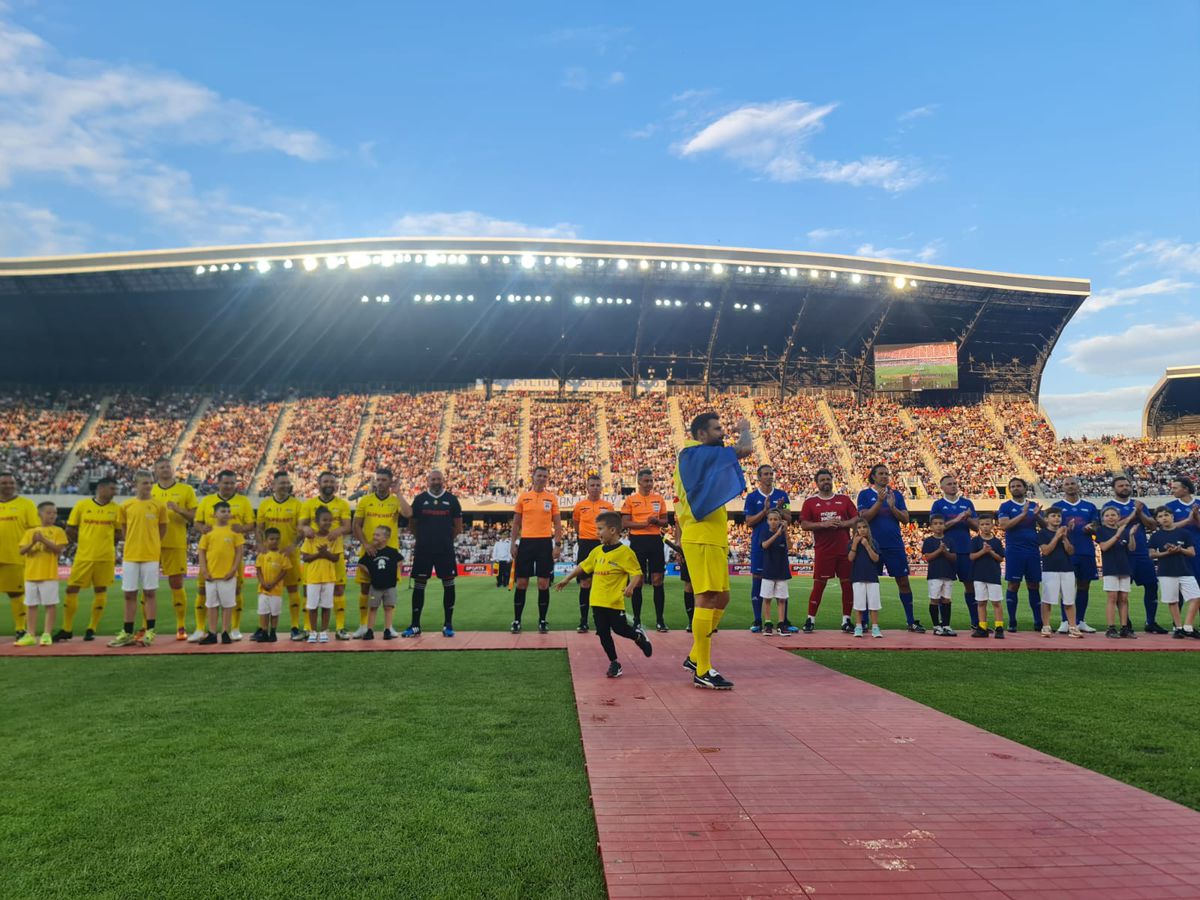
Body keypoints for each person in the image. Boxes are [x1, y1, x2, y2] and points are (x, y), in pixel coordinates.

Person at [677, 412, 753, 690]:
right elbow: (745, 449)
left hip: (713, 537)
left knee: (722, 597)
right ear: (701, 434)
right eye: (717, 429)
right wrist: (744, 428)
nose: (722, 432)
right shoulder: (694, 453)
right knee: (707, 597)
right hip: (702, 537)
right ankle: (703, 669)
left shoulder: (698, 456)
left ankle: (695, 656)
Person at [556, 510, 654, 678]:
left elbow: (637, 573)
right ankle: (614, 662)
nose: (597, 532)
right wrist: (567, 579)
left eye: (600, 529)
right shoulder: (597, 551)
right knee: (603, 633)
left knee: (620, 629)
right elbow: (583, 565)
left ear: (613, 530)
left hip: (614, 602)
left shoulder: (626, 553)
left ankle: (638, 637)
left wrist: (630, 587)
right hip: (597, 601)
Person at [191, 471, 256, 642]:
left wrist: (241, 529)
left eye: (231, 483)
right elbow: (197, 522)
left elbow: (251, 524)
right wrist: (201, 528)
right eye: (225, 483)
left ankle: (234, 628)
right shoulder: (207, 501)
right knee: (202, 590)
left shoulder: (243, 501)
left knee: (236, 591)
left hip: (232, 555)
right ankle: (200, 629)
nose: (228, 486)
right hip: (210, 556)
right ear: (218, 483)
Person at [857, 464, 920, 632]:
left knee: (904, 582)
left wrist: (892, 507)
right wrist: (879, 502)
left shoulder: (896, 495)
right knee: (868, 583)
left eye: (887, 474)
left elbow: (906, 519)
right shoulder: (864, 494)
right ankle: (863, 622)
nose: (885, 476)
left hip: (894, 545)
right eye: (881, 474)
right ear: (873, 477)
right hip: (872, 546)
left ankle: (911, 620)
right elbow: (864, 518)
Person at [800, 468, 862, 634]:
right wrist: (823, 524)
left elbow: (857, 519)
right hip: (823, 550)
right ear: (817, 483)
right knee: (819, 585)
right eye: (822, 480)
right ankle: (810, 619)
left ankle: (846, 620)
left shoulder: (844, 499)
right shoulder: (810, 502)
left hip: (844, 550)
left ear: (832, 480)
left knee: (847, 585)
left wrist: (842, 524)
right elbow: (804, 524)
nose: (826, 482)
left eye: (828, 479)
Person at [109, 471, 168, 647]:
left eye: (150, 483)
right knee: (129, 594)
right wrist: (132, 543)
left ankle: (150, 631)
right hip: (131, 556)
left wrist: (153, 543)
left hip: (150, 555)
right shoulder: (126, 506)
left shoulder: (159, 505)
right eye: (144, 483)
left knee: (150, 593)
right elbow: (124, 529)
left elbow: (162, 529)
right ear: (136, 485)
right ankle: (127, 632)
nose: (148, 486)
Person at [352, 468, 411, 638]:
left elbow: (408, 513)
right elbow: (356, 525)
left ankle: (389, 627)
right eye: (378, 479)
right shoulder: (365, 500)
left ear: (390, 481)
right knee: (365, 589)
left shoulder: (395, 501)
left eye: (384, 480)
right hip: (369, 551)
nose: (380, 483)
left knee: (389, 589)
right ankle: (364, 626)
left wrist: (398, 493)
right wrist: (365, 544)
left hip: (389, 553)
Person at [405, 469, 463, 638]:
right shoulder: (420, 499)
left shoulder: (452, 500)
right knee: (420, 584)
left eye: (438, 479)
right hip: (424, 550)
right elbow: (412, 525)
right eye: (433, 479)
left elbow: (458, 527)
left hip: (445, 550)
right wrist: (424, 539)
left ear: (443, 480)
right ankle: (415, 624)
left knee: (449, 584)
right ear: (427, 481)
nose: (436, 482)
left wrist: (443, 539)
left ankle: (448, 624)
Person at [64, 476, 121, 642]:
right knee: (71, 589)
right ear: (101, 488)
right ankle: (67, 628)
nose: (114, 492)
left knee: (101, 590)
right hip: (84, 556)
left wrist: (106, 542)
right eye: (112, 489)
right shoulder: (82, 505)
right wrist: (84, 542)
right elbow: (70, 528)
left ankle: (91, 629)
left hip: (105, 557)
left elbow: (118, 533)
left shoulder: (116, 509)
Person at [1104, 476, 1161, 633]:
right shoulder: (1109, 506)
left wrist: (1140, 512)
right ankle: (1125, 622)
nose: (1125, 487)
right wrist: (1131, 517)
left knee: (1151, 585)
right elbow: (1110, 525)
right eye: (1121, 485)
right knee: (1121, 591)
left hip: (1142, 551)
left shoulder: (1139, 504)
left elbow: (1152, 525)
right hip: (1122, 553)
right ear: (1114, 488)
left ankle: (1151, 622)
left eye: (1127, 485)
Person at [299, 472, 352, 639]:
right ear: (318, 483)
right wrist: (305, 529)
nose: (329, 484)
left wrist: (338, 530)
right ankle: (309, 628)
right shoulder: (309, 504)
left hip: (335, 550)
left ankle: (339, 628)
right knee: (309, 591)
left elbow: (347, 526)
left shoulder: (342, 504)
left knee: (339, 588)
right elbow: (301, 525)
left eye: (332, 481)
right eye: (325, 481)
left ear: (336, 485)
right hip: (314, 549)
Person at [511, 466, 561, 634]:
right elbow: (516, 523)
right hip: (526, 543)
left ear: (547, 478)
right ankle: (517, 620)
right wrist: (513, 543)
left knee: (543, 583)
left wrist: (558, 544)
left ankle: (542, 620)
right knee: (522, 583)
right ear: (532, 477)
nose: (541, 478)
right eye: (539, 475)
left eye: (544, 476)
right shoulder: (524, 497)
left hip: (544, 543)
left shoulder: (551, 498)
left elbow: (558, 524)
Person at [152, 457, 198, 640]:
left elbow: (195, 517)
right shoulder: (150, 490)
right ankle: (146, 627)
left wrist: (179, 510)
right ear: (156, 471)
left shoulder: (186, 490)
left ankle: (180, 627)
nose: (165, 469)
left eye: (168, 466)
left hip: (175, 542)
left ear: (173, 469)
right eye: (161, 467)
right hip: (151, 544)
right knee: (148, 587)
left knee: (177, 584)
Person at [256, 470, 305, 640]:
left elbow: (301, 529)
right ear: (273, 485)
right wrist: (259, 545)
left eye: (287, 483)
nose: (285, 485)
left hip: (289, 555)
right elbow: (259, 528)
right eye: (282, 483)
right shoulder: (265, 504)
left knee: (293, 589)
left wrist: (293, 545)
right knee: (266, 590)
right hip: (269, 557)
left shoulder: (298, 505)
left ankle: (294, 627)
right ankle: (262, 628)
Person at [742, 465, 791, 633]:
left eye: (771, 473)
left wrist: (778, 509)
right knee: (758, 577)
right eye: (766, 474)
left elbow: (789, 517)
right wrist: (765, 511)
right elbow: (749, 521)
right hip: (759, 543)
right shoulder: (752, 497)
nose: (770, 476)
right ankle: (758, 619)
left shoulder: (782, 495)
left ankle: (783, 620)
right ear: (759, 477)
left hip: (779, 544)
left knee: (780, 578)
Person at [621, 468, 670, 632]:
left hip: (655, 540)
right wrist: (644, 524)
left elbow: (666, 522)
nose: (649, 483)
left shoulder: (659, 499)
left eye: (651, 480)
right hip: (638, 541)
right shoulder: (630, 500)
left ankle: (660, 620)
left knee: (658, 580)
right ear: (639, 482)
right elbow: (625, 523)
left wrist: (657, 521)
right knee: (638, 582)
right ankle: (637, 620)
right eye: (646, 481)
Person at [930, 474, 980, 630]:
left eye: (954, 483)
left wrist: (968, 518)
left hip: (965, 549)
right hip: (945, 551)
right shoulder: (937, 505)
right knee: (942, 586)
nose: (953, 486)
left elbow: (976, 527)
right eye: (949, 484)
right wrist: (958, 519)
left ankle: (976, 622)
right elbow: (939, 527)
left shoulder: (967, 503)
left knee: (970, 585)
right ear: (942, 487)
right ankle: (942, 623)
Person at [1051, 476, 1099, 633]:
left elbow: (1097, 526)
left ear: (1078, 486)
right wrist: (1066, 528)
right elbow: (1051, 527)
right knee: (1066, 587)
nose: (1070, 486)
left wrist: (1091, 528)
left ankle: (1080, 621)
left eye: (1073, 484)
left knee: (1084, 586)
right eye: (1067, 484)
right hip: (1066, 552)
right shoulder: (1057, 506)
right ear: (1062, 487)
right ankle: (1065, 620)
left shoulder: (1089, 506)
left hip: (1086, 551)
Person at [15, 502, 66, 647]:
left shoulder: (58, 531)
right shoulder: (30, 532)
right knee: (31, 605)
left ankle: (46, 634)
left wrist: (43, 540)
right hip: (30, 574)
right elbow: (22, 551)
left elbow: (58, 549)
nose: (52, 515)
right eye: (49, 512)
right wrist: (33, 543)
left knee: (50, 605)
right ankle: (30, 634)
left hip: (48, 574)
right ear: (40, 514)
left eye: (54, 513)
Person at [997, 477, 1044, 632]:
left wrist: (1037, 516)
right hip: (1014, 551)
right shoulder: (1005, 506)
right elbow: (1004, 525)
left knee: (1034, 585)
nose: (1016, 488)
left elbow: (1045, 526)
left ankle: (1038, 621)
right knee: (1013, 584)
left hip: (1032, 550)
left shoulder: (1034, 506)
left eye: (1019, 486)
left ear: (1025, 488)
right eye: (1013, 486)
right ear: (1010, 489)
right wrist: (1023, 515)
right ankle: (1012, 621)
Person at [197, 501, 245, 646]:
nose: (226, 514)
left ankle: (225, 632)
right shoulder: (208, 532)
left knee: (227, 605)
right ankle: (212, 632)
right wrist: (204, 570)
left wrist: (233, 570)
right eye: (222, 511)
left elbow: (239, 552)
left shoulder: (234, 532)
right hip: (211, 575)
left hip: (227, 576)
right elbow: (201, 551)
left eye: (228, 511)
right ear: (214, 514)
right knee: (211, 605)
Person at [1147, 506, 1199, 638]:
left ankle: (1188, 626)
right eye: (1160, 516)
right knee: (1172, 601)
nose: (1164, 518)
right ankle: (1178, 627)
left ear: (1172, 516)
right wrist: (1166, 552)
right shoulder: (1156, 536)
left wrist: (1179, 550)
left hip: (1185, 570)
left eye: (1166, 515)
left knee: (1196, 597)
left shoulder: (1184, 533)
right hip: (1166, 571)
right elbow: (1152, 554)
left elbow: (1192, 552)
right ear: (1157, 520)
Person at [0, 472, 40, 639]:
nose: (8, 486)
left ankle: (20, 628)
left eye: (11, 483)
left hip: (14, 556)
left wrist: (33, 550)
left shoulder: (26, 504)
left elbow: (34, 530)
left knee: (15, 593)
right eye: (4, 483)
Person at [572, 474, 614, 633]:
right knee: (585, 584)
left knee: (604, 584)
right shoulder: (580, 505)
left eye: (598, 485)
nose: (595, 488)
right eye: (592, 485)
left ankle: (603, 621)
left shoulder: (608, 506)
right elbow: (576, 523)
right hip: (586, 545)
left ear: (601, 487)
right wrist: (582, 536)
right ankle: (583, 621)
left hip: (603, 545)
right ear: (587, 487)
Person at [300, 506, 342, 644]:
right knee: (312, 607)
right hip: (313, 578)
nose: (328, 522)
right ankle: (313, 631)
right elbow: (305, 558)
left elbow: (336, 558)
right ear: (317, 522)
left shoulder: (334, 538)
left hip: (329, 578)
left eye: (330, 520)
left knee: (326, 606)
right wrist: (320, 553)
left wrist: (325, 553)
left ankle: (323, 631)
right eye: (324, 520)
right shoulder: (310, 539)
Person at [1038, 508, 1081, 638]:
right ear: (1046, 519)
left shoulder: (1066, 532)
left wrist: (1064, 538)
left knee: (1069, 600)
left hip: (1067, 569)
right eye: (1053, 516)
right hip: (1050, 569)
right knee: (1047, 600)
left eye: (1058, 516)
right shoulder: (1043, 533)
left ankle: (1072, 626)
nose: (1056, 518)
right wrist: (1056, 537)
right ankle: (1046, 626)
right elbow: (1045, 551)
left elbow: (1071, 551)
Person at [1096, 505, 1137, 639]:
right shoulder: (1102, 530)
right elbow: (1104, 547)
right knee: (1112, 597)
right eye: (1107, 515)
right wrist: (1117, 535)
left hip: (1124, 567)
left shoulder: (1124, 531)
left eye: (1113, 515)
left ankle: (1125, 627)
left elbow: (1131, 548)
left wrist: (1130, 535)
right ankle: (1111, 627)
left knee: (1124, 598)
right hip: (1111, 568)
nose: (1110, 518)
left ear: (1118, 517)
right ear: (1103, 518)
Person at [357, 526, 403, 639]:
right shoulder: (371, 552)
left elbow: (401, 560)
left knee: (388, 608)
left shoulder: (392, 551)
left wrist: (393, 569)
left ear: (386, 538)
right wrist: (370, 572)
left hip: (390, 586)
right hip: (375, 586)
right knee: (373, 608)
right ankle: (370, 630)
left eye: (377, 535)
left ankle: (387, 630)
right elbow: (360, 563)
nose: (374, 537)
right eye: (374, 534)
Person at [969, 514, 1006, 639]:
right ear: (979, 526)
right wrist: (983, 551)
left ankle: (999, 627)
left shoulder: (996, 541)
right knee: (981, 602)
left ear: (992, 525)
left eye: (987, 524)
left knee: (996, 602)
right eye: (982, 524)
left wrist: (990, 551)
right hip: (978, 576)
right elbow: (972, 556)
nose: (985, 527)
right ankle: (982, 627)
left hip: (993, 576)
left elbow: (1000, 558)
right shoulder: (975, 541)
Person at [756, 509, 791, 635]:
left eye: (775, 519)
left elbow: (790, 547)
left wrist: (785, 532)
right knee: (767, 598)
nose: (773, 522)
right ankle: (768, 623)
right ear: (767, 521)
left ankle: (781, 623)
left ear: (780, 521)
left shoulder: (783, 533)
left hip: (782, 570)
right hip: (768, 571)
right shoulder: (765, 532)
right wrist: (777, 534)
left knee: (781, 598)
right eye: (771, 519)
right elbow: (764, 545)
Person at [921, 514, 957, 636]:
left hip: (948, 573)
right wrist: (940, 550)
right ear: (931, 526)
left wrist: (945, 552)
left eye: (941, 523)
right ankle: (936, 626)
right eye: (935, 524)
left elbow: (954, 557)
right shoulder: (929, 541)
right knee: (934, 599)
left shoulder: (950, 540)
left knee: (947, 599)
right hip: (934, 574)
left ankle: (946, 625)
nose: (938, 526)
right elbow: (928, 557)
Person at [254, 527, 291, 643]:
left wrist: (274, 583)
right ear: (265, 541)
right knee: (264, 612)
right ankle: (264, 632)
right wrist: (263, 583)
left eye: (277, 539)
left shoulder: (282, 555)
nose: (274, 541)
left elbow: (284, 571)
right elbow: (258, 570)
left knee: (275, 613)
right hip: (263, 590)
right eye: (271, 539)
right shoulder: (262, 555)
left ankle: (273, 633)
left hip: (276, 590)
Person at [847, 519, 883, 638]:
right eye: (859, 528)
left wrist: (867, 546)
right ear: (855, 530)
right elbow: (850, 558)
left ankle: (875, 627)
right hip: (858, 577)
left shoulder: (873, 542)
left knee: (874, 604)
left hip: (872, 577)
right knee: (859, 604)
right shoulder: (852, 542)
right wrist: (855, 544)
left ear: (868, 529)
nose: (862, 530)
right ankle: (858, 626)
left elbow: (876, 559)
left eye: (864, 527)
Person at [1165, 476, 1200, 587]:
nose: (1172, 490)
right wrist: (1188, 520)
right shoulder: (1170, 506)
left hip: (1198, 546)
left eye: (1175, 488)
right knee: (1180, 584)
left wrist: (1196, 516)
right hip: (1180, 549)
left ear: (1185, 489)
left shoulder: (1198, 503)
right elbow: (1168, 527)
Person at [664, 519, 694, 631]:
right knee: (689, 585)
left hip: (706, 545)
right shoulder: (682, 504)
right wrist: (678, 546)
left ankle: (709, 621)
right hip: (688, 548)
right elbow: (678, 524)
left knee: (707, 587)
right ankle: (691, 621)